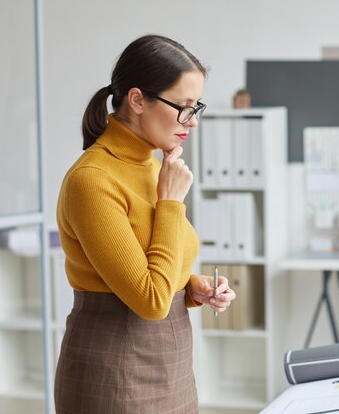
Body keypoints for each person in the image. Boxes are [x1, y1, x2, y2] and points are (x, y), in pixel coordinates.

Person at [54, 35, 235, 414]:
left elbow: (154, 267)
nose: (193, 121)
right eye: (184, 107)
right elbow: (151, 299)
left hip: (172, 366)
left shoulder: (152, 163)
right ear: (137, 100)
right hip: (113, 369)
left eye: (196, 106)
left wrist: (192, 287)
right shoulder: (92, 179)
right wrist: (170, 202)